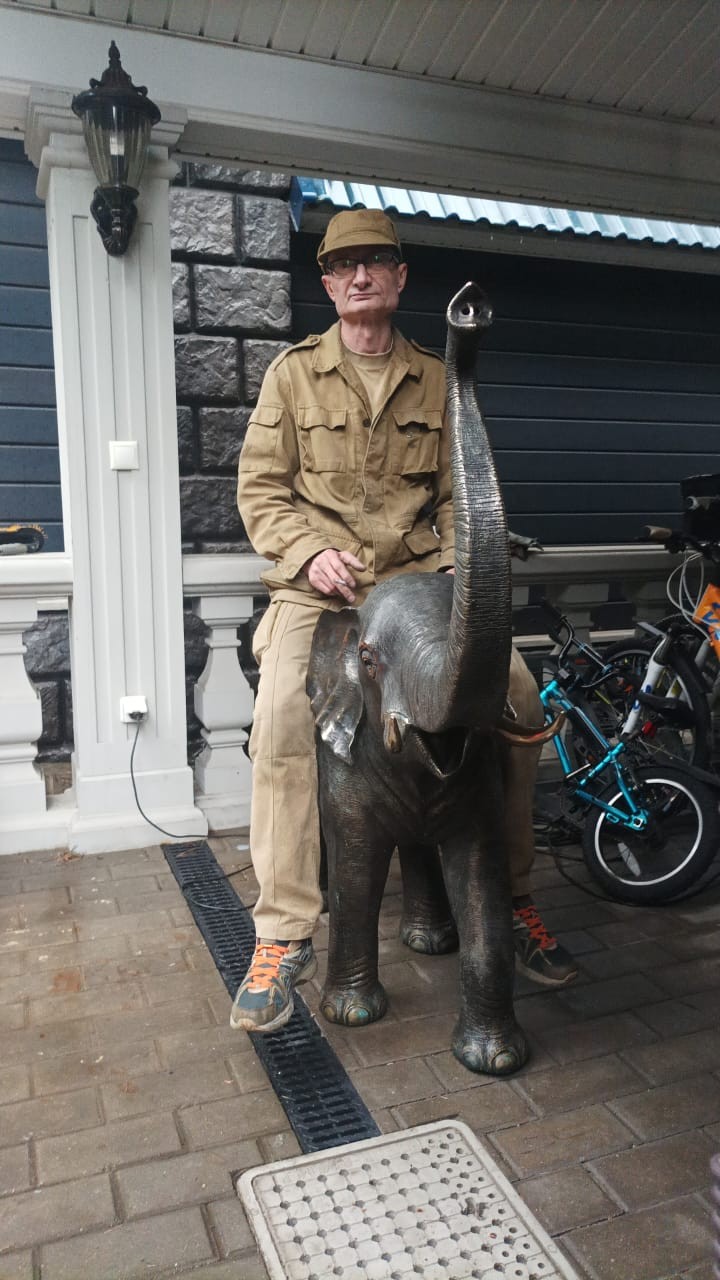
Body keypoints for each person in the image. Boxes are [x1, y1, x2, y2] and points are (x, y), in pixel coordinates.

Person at [232, 208, 577, 1034]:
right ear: (327, 283)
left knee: (518, 702)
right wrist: (308, 551)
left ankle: (513, 898)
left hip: (419, 584)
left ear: (399, 276)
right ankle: (284, 933)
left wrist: (462, 565)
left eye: (375, 262)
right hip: (323, 590)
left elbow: (461, 496)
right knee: (282, 719)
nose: (360, 276)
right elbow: (261, 490)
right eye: (343, 265)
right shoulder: (292, 374)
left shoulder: (438, 377)